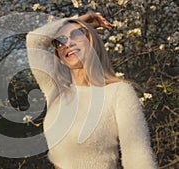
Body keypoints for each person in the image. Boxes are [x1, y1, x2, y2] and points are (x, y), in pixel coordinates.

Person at [26, 13, 158, 169]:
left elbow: (137, 155)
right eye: (60, 41)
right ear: (60, 56)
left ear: (93, 42)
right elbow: (34, 40)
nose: (68, 43)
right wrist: (76, 21)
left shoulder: (118, 92)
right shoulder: (57, 92)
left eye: (77, 34)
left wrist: (83, 26)